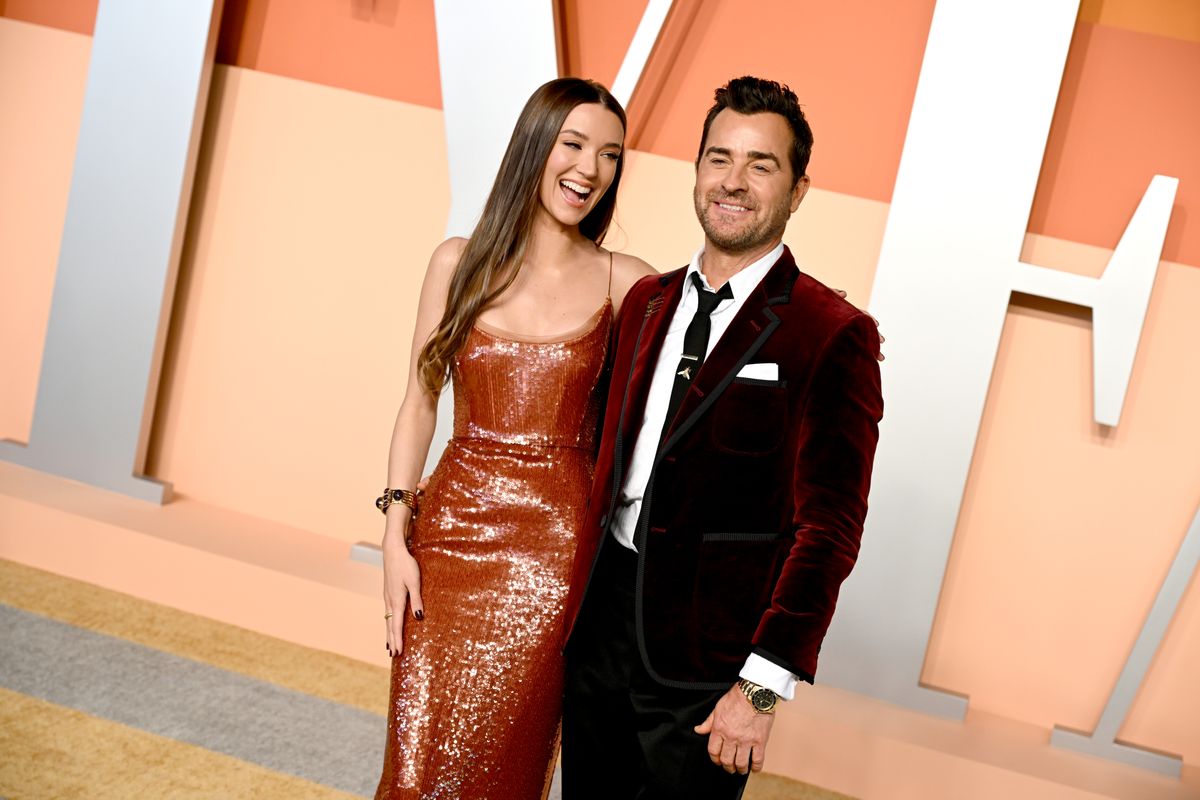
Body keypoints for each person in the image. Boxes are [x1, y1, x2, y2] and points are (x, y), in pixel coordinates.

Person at [560, 76, 885, 799]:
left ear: (798, 188)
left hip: (711, 669)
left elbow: (829, 532)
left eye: (760, 165)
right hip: (599, 633)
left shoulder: (833, 334)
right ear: (698, 168)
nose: (732, 182)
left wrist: (761, 688)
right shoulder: (646, 301)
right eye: (718, 158)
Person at [373, 77, 655, 799]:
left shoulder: (629, 283)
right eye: (573, 144)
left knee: (508, 768)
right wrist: (394, 534)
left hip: (554, 564)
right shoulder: (457, 261)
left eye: (611, 155)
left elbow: (693, 379)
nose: (590, 169)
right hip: (447, 544)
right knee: (416, 768)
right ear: (536, 146)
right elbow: (418, 401)